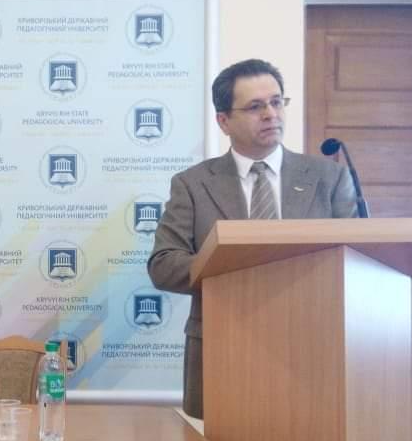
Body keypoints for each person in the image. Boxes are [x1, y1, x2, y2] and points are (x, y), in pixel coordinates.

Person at [147, 58, 357, 418]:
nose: (271, 114)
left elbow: (356, 258)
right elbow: (164, 266)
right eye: (255, 106)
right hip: (223, 349)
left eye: (276, 102)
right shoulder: (193, 184)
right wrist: (233, 264)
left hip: (313, 348)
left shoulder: (329, 178)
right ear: (223, 121)